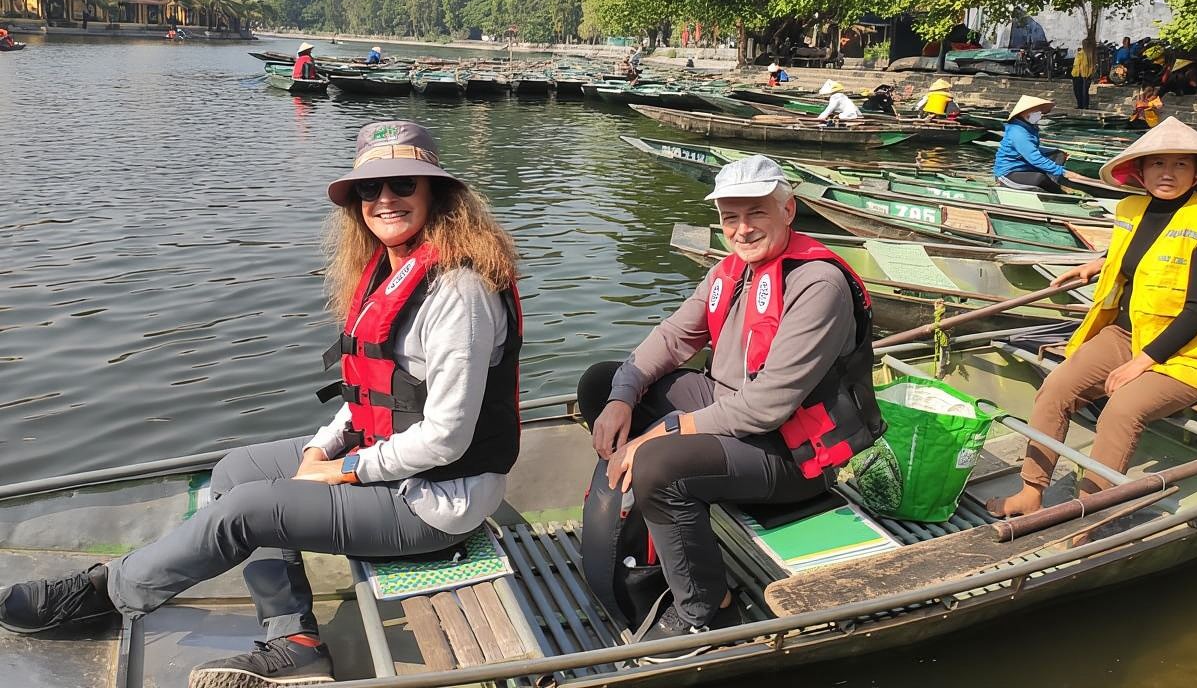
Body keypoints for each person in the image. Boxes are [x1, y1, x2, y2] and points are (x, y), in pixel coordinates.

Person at [0, 121, 523, 688]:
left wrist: (343, 472)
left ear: (436, 193)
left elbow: (446, 435)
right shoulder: (392, 271)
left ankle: (106, 592)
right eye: (369, 190)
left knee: (248, 509)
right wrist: (324, 447)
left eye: (402, 183)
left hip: (436, 501)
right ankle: (294, 639)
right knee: (235, 470)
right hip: (389, 463)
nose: (384, 199)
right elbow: (376, 391)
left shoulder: (459, 294)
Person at [577, 155, 883, 655]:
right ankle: (661, 521)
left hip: (793, 455)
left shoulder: (817, 284)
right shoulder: (731, 271)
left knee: (660, 462)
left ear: (788, 210)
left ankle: (707, 609)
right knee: (602, 382)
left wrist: (668, 432)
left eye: (756, 213)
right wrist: (620, 397)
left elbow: (767, 407)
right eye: (729, 217)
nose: (742, 230)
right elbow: (674, 337)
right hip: (730, 415)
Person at [987, 118, 1197, 516]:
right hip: (1124, 333)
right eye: (1158, 163)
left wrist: (1141, 365)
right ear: (1140, 171)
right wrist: (1097, 262)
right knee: (1056, 388)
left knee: (1122, 408)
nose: (1167, 173)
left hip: (1184, 354)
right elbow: (1140, 250)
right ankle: (1030, 491)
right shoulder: (1132, 208)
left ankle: (1089, 512)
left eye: (1180, 165)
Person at [993, 95, 1066, 192]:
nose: (1039, 115)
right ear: (1024, 113)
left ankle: (1054, 183)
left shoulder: (1029, 127)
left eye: (1039, 112)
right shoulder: (1018, 132)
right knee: (1040, 178)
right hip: (1009, 173)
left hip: (1025, 166)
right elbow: (1034, 158)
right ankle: (1058, 192)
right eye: (1035, 112)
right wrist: (1062, 171)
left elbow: (1031, 148)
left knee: (1058, 154)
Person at [1071, 39, 1096, 109]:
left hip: (1085, 75)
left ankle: (1085, 105)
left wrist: (1089, 74)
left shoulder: (1089, 54)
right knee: (1077, 91)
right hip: (1076, 74)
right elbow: (1076, 64)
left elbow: (1091, 66)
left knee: (1084, 92)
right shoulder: (1080, 53)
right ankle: (1080, 105)